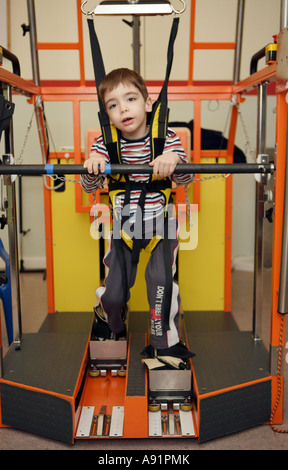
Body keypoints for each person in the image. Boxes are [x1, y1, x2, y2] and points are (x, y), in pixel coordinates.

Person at [81, 68, 194, 366]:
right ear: (107, 115)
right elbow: (88, 185)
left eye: (130, 99)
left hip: (160, 224)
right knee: (115, 292)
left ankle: (165, 343)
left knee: (161, 283)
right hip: (124, 227)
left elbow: (187, 178)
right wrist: (92, 166)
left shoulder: (165, 137)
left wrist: (174, 160)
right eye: (113, 105)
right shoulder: (104, 144)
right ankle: (110, 320)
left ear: (147, 102)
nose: (123, 109)